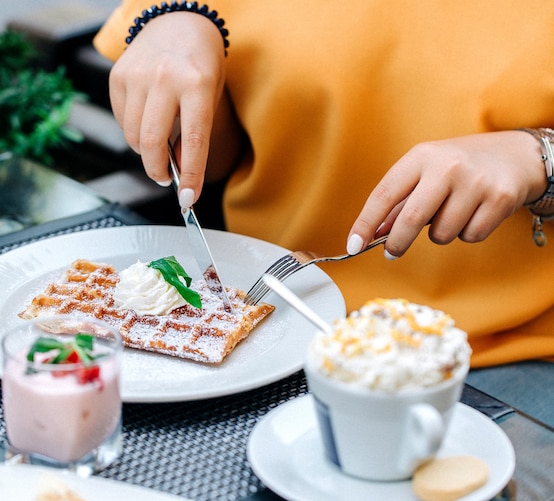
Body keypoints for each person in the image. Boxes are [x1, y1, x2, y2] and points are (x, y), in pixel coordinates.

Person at [93, 1, 554, 367]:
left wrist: (539, 157)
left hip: (506, 353)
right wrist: (178, 22)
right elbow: (217, 160)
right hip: (267, 322)